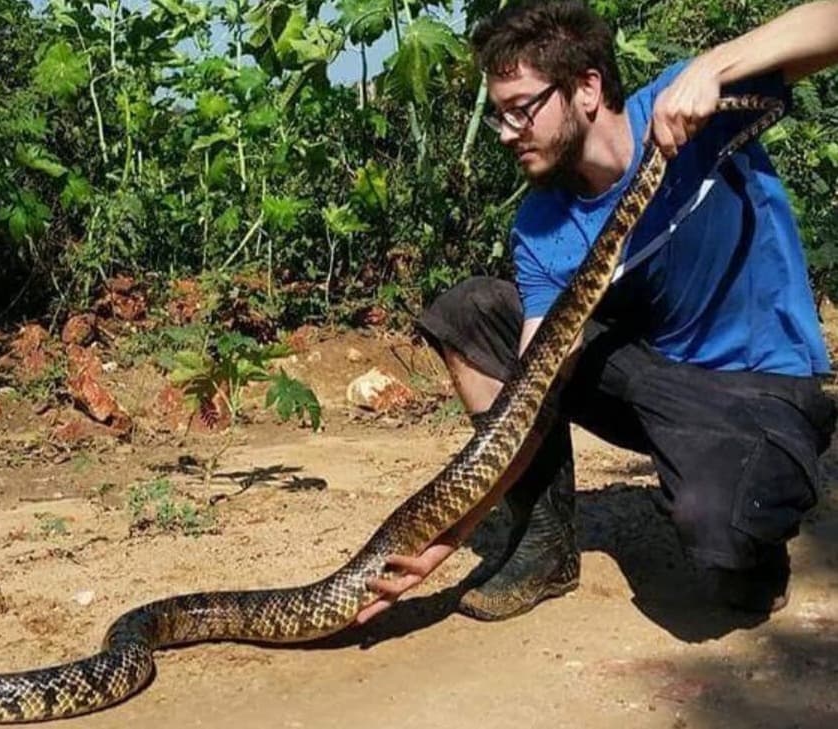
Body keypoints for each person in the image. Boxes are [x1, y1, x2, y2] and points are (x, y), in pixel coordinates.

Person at [355, 0, 838, 625]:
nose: (505, 132)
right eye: (498, 114)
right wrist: (445, 540)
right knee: (474, 310)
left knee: (721, 538)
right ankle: (544, 542)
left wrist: (714, 68)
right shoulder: (540, 227)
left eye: (520, 110)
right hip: (650, 383)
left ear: (586, 89)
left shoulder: (683, 111)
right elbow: (525, 406)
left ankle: (753, 528)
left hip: (762, 388)